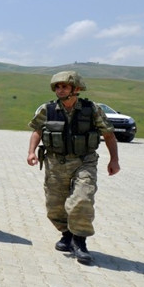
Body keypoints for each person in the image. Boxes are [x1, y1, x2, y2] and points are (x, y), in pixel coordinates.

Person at [27, 71, 119, 264]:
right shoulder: (47, 109)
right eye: (57, 87)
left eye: (64, 86)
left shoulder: (91, 109)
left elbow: (109, 134)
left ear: (76, 89)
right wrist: (31, 152)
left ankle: (80, 242)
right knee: (55, 206)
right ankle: (66, 235)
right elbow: (37, 131)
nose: (60, 90)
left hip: (84, 162)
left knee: (82, 199)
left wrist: (114, 160)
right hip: (55, 163)